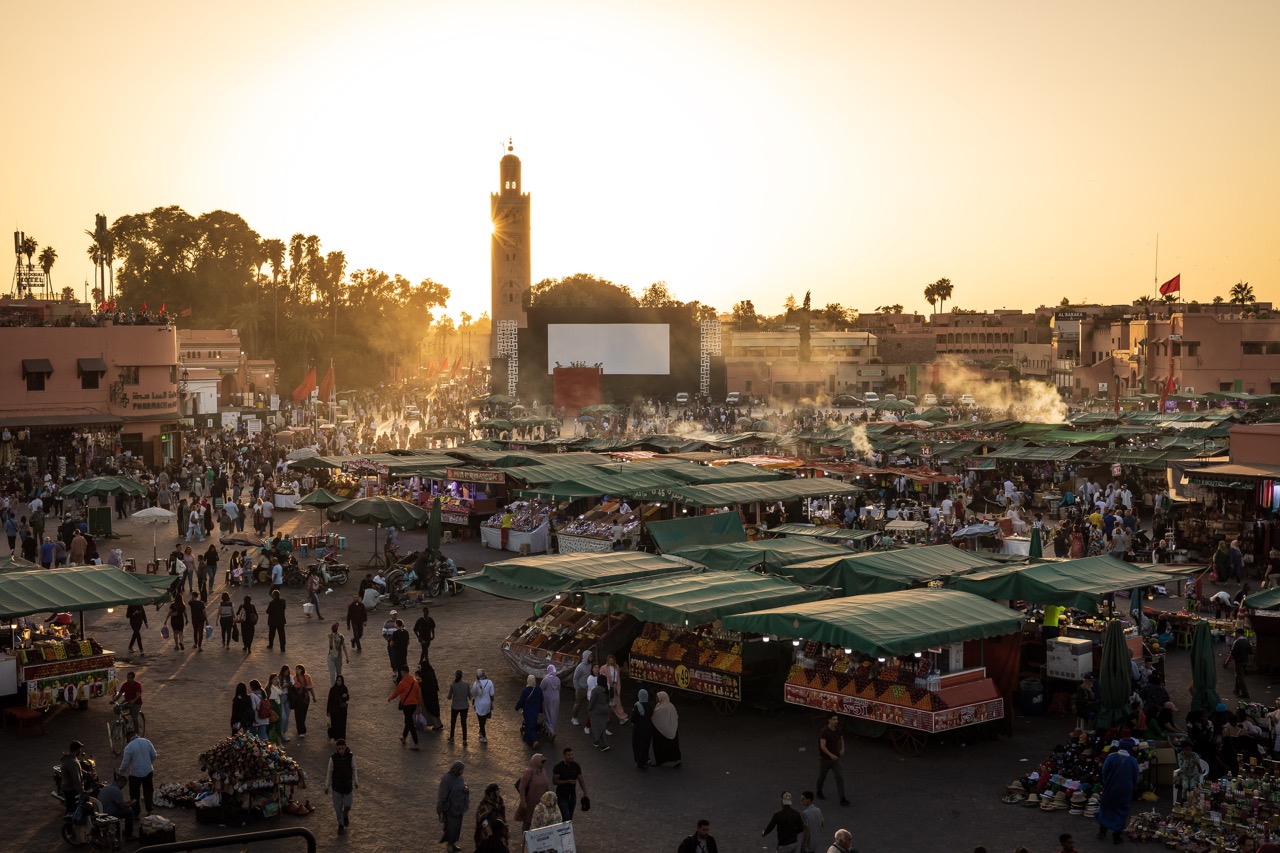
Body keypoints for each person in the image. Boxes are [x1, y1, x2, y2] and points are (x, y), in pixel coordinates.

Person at [1096, 737, 1140, 843]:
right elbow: (1136, 777)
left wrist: (1107, 782)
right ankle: (1116, 835)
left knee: (1107, 808)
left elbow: (1104, 771)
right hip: (1125, 790)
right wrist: (1132, 787)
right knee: (1121, 811)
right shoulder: (1133, 761)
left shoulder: (1111, 757)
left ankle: (1102, 831)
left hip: (1110, 788)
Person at [118, 729, 158, 818]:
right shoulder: (146, 741)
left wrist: (120, 772)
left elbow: (125, 763)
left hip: (135, 773)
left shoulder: (129, 747)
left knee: (134, 794)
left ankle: (136, 813)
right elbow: (154, 754)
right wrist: (149, 763)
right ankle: (149, 810)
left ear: (128, 736)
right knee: (148, 791)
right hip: (148, 771)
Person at [323, 739, 358, 835]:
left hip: (347, 786)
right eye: (339, 749)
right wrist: (327, 786)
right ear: (337, 749)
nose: (341, 751)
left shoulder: (351, 757)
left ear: (345, 747)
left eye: (343, 748)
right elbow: (329, 773)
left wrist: (355, 780)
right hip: (337, 787)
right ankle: (340, 824)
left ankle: (345, 814)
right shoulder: (333, 758)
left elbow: (354, 768)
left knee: (348, 805)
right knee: (337, 808)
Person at [436, 760, 469, 853]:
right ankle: (449, 845)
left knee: (457, 826)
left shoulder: (459, 777)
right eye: (461, 770)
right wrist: (440, 806)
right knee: (451, 827)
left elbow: (462, 785)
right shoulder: (446, 779)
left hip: (459, 807)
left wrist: (466, 788)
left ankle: (453, 843)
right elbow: (442, 794)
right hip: (450, 808)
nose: (462, 771)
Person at [816, 713, 850, 805]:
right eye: (834, 720)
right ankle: (819, 790)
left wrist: (843, 748)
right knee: (822, 777)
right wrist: (830, 755)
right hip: (825, 759)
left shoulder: (838, 730)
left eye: (837, 719)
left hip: (835, 759)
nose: (836, 721)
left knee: (839, 777)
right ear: (829, 720)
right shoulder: (824, 731)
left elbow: (841, 738)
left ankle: (842, 798)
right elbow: (822, 746)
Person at [513, 753, 550, 836]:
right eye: (542, 761)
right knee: (528, 820)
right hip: (531, 803)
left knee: (540, 821)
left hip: (542, 803)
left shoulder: (543, 771)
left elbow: (546, 785)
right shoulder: (529, 772)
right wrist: (523, 801)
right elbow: (522, 787)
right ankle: (525, 839)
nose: (544, 763)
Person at [388, 665, 423, 749]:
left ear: (403, 672)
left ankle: (416, 743)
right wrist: (420, 705)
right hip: (413, 705)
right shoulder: (415, 682)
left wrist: (390, 698)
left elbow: (396, 692)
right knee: (408, 720)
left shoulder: (402, 683)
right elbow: (419, 695)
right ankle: (404, 738)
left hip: (406, 706)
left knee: (410, 724)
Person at [551, 747, 587, 822]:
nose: (571, 756)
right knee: (566, 816)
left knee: (570, 817)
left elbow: (581, 780)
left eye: (572, 754)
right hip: (561, 796)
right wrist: (568, 781)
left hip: (572, 795)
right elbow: (555, 781)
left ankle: (566, 831)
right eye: (569, 755)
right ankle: (564, 831)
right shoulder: (558, 767)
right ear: (564, 756)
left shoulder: (576, 766)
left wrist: (585, 792)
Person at [98, 774, 135, 840]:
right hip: (108, 813)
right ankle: (128, 835)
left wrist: (127, 803)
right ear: (121, 782)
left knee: (121, 809)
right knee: (129, 812)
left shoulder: (107, 787)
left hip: (101, 810)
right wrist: (130, 804)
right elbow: (121, 806)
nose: (123, 787)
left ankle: (118, 830)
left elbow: (117, 803)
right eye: (124, 785)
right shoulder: (116, 790)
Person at [652, 690, 682, 767]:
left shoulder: (661, 708)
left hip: (661, 732)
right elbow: (676, 717)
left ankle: (660, 761)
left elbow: (655, 718)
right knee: (673, 746)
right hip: (672, 729)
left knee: (660, 746)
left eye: (657, 697)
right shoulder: (671, 706)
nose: (656, 698)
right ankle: (676, 760)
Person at [474, 783, 507, 849]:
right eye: (497, 790)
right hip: (487, 828)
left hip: (498, 827)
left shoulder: (499, 800)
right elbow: (482, 818)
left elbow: (502, 812)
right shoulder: (485, 803)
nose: (499, 791)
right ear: (492, 792)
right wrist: (488, 829)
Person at [516, 674, 543, 748]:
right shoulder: (538, 689)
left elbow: (521, 700)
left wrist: (517, 707)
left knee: (529, 726)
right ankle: (532, 739)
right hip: (536, 711)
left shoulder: (526, 690)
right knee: (533, 724)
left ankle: (534, 740)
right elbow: (542, 699)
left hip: (528, 711)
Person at [59, 741, 86, 814]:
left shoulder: (68, 759)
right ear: (78, 750)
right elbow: (76, 779)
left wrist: (86, 773)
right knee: (73, 809)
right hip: (72, 790)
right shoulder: (72, 762)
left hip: (66, 788)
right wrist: (81, 792)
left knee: (70, 807)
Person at [602, 653, 629, 724]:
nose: (611, 662)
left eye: (612, 660)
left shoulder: (616, 667)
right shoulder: (603, 668)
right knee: (607, 703)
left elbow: (618, 678)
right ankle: (606, 718)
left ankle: (622, 717)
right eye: (609, 660)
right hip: (607, 688)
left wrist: (617, 685)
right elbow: (602, 678)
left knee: (617, 703)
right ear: (607, 661)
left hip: (615, 687)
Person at [631, 688, 655, 769]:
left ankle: (639, 762)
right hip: (648, 729)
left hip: (638, 729)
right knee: (645, 744)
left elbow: (633, 718)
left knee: (637, 745)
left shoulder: (637, 706)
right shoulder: (650, 706)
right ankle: (645, 759)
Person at [471, 667, 495, 744]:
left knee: (480, 719)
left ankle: (483, 735)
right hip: (487, 703)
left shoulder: (476, 683)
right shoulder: (490, 682)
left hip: (479, 704)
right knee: (484, 719)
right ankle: (481, 732)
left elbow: (473, 693)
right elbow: (492, 694)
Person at [1228, 628, 1253, 699]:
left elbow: (1232, 654)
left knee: (1240, 678)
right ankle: (1236, 690)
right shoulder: (1246, 641)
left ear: (1238, 634)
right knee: (1238, 676)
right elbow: (1251, 652)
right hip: (1245, 661)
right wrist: (1251, 663)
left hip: (1238, 662)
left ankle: (1245, 694)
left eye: (1236, 633)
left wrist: (1227, 662)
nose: (1235, 635)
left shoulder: (1237, 642)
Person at [589, 674, 612, 751]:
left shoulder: (595, 690)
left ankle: (604, 744)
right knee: (602, 726)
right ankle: (597, 741)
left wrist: (589, 708)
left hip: (597, 710)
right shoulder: (606, 690)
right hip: (605, 709)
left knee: (597, 727)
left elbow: (592, 702)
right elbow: (608, 700)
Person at [570, 650, 592, 727]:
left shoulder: (590, 665)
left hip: (588, 688)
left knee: (589, 704)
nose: (592, 658)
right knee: (578, 705)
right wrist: (577, 688)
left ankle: (590, 720)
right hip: (580, 689)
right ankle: (574, 717)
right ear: (586, 657)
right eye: (590, 656)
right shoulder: (580, 667)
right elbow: (575, 678)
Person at [293, 664, 316, 738]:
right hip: (297, 699)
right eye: (296, 669)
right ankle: (301, 731)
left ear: (302, 670)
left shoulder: (307, 677)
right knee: (298, 715)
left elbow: (310, 687)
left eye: (298, 669)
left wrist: (313, 697)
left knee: (303, 714)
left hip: (305, 699)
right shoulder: (294, 678)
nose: (297, 671)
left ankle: (301, 727)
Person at [448, 669, 470, 743]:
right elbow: (469, 695)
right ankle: (464, 739)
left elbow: (449, 696)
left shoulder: (453, 685)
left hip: (455, 706)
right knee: (463, 722)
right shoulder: (466, 684)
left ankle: (451, 737)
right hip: (464, 705)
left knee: (453, 722)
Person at [540, 664, 561, 740]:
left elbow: (540, 689)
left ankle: (551, 731)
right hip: (556, 699)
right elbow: (559, 689)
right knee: (554, 716)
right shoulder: (558, 679)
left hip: (548, 700)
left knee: (547, 715)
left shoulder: (546, 680)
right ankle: (553, 730)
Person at [327, 674, 350, 741]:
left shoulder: (344, 688)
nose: (339, 682)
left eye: (340, 680)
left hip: (342, 711)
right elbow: (329, 700)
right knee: (334, 724)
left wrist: (346, 696)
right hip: (334, 711)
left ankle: (341, 738)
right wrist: (328, 710)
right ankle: (333, 736)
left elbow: (347, 698)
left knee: (342, 725)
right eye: (338, 680)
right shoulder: (332, 689)